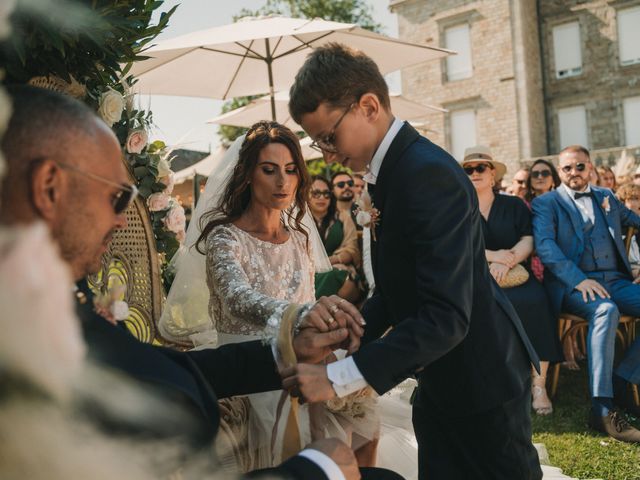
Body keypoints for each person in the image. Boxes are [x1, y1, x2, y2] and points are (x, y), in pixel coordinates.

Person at [0, 85, 389, 480]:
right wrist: (320, 470)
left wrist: (298, 342)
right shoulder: (22, 338)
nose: (121, 221)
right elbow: (236, 299)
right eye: (117, 198)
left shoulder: (62, 301)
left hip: (283, 365)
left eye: (291, 170)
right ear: (49, 186)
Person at [284, 43, 541, 480]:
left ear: (368, 106)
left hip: (480, 378)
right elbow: (402, 285)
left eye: (329, 136)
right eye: (317, 141)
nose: (325, 153)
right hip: (443, 376)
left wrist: (340, 377)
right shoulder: (395, 169)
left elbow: (444, 316)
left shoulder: (426, 174)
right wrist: (350, 336)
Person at [532, 144, 640, 442]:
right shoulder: (547, 203)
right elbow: (546, 247)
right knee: (606, 310)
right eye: (567, 168)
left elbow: (636, 222)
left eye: (580, 166)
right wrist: (578, 280)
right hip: (574, 286)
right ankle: (601, 408)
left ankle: (623, 378)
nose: (574, 172)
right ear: (560, 171)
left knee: (611, 303)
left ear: (589, 167)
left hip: (616, 281)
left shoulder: (606, 197)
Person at [463, 146, 563, 416]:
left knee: (536, 302)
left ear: (493, 173)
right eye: (468, 169)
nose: (474, 173)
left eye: (480, 167)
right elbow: (457, 246)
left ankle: (538, 385)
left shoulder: (513, 204)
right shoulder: (458, 208)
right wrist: (494, 256)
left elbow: (528, 238)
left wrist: (509, 260)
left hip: (516, 272)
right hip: (477, 276)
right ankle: (488, 380)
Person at [308, 175, 362, 301]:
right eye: (316, 193)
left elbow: (352, 249)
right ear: (306, 194)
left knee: (335, 275)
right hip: (309, 271)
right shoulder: (298, 221)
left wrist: (329, 262)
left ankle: (310, 310)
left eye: (326, 193)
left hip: (338, 268)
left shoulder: (342, 217)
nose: (322, 197)